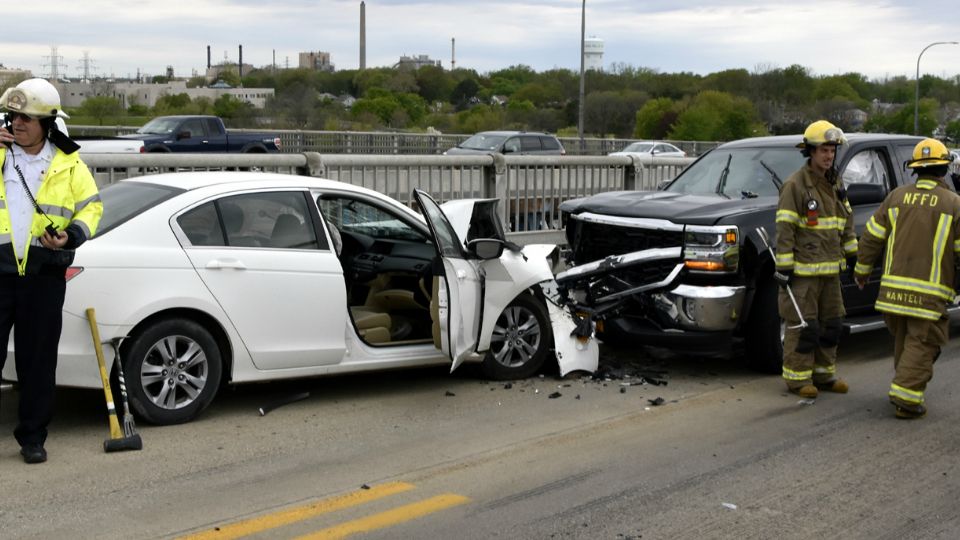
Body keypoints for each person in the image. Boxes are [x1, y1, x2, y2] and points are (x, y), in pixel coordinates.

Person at [0, 78, 102, 463]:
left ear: (48, 123)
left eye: (27, 117)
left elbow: (91, 208)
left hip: (44, 276)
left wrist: (72, 235)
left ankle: (32, 437)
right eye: (13, 116)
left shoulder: (69, 165)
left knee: (38, 360)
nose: (18, 123)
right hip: (0, 272)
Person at [853, 138, 960, 419]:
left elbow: (871, 238)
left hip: (892, 293)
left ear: (916, 170)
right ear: (943, 169)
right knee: (925, 342)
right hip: (929, 293)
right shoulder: (953, 204)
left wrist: (862, 272)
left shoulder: (896, 197)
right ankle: (906, 398)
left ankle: (907, 387)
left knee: (906, 341)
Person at [774, 120, 857, 398]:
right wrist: (784, 267)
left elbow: (845, 220)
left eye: (832, 150)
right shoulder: (795, 185)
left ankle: (824, 375)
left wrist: (853, 252)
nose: (829, 155)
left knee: (832, 323)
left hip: (831, 269)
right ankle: (798, 379)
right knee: (804, 326)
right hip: (804, 273)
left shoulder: (835, 182)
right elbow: (785, 228)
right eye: (823, 150)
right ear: (810, 151)